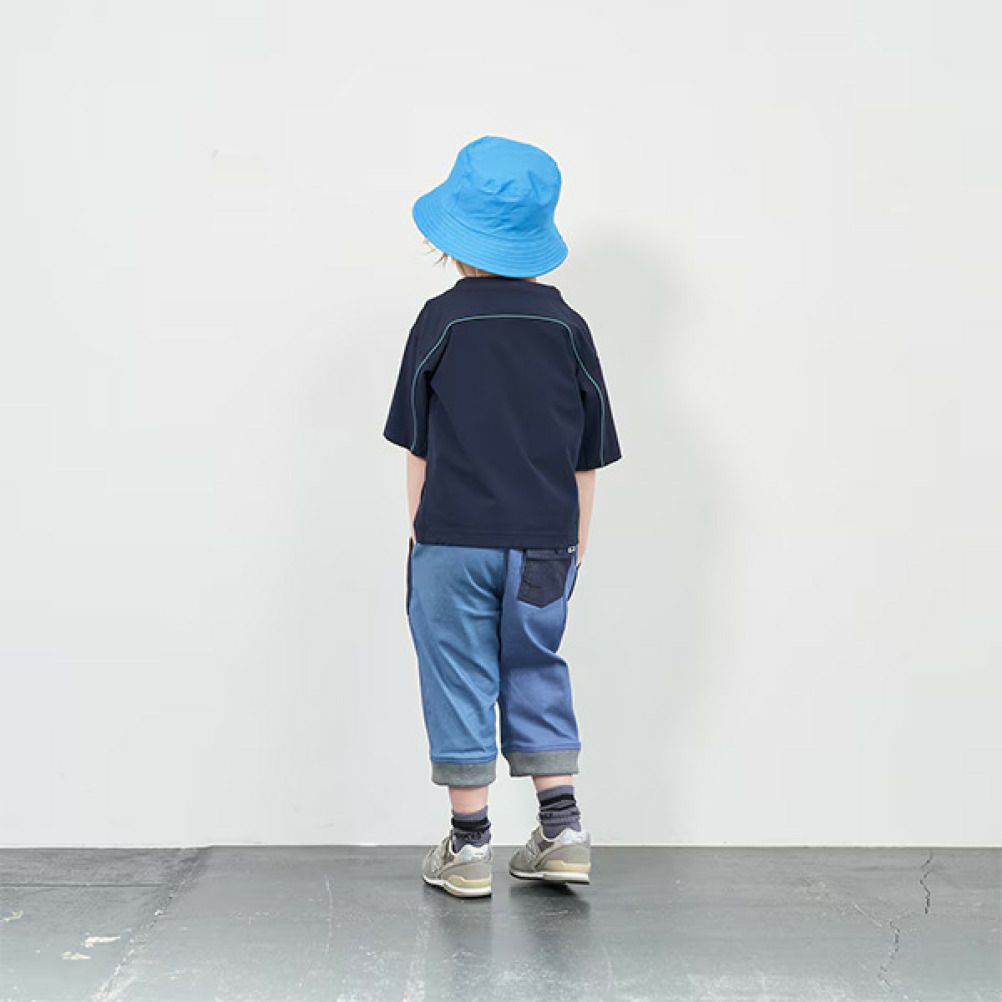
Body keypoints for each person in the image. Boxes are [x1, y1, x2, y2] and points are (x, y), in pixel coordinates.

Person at [383, 135, 622, 898]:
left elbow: (417, 445)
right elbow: (587, 456)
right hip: (548, 542)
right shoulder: (568, 328)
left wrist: (421, 533)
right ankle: (563, 831)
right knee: (537, 666)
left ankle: (468, 846)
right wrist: (574, 544)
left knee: (458, 673)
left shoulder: (440, 322)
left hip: (452, 541)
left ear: (456, 240)